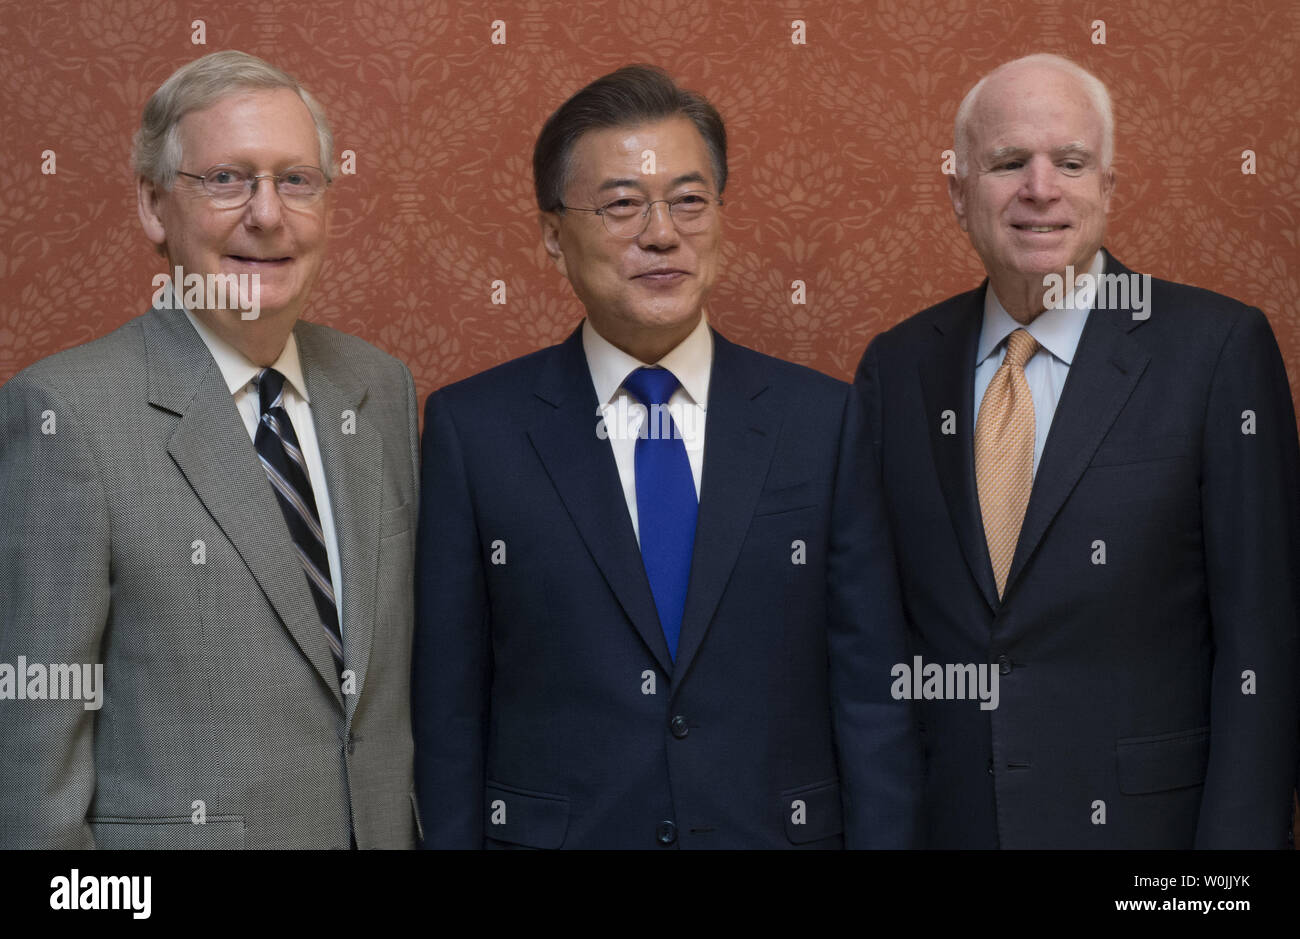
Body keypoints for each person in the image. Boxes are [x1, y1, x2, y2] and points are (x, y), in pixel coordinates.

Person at [413, 65, 919, 849]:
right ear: (552, 235)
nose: (661, 232)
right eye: (621, 204)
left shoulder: (821, 420)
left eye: (689, 200)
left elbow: (874, 695)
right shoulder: (472, 430)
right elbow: (449, 710)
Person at [854, 52, 1300, 847]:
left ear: (1106, 188)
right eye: (1006, 163)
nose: (1039, 189)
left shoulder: (1217, 350)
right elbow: (877, 644)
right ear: (958, 192)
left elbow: (1262, 643)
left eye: (1070, 162)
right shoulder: (898, 367)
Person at [0, 50, 420, 849]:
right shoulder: (65, 416)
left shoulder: (379, 390)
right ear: (155, 208)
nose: (267, 214)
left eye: (295, 180)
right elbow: (29, 778)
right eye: (227, 179)